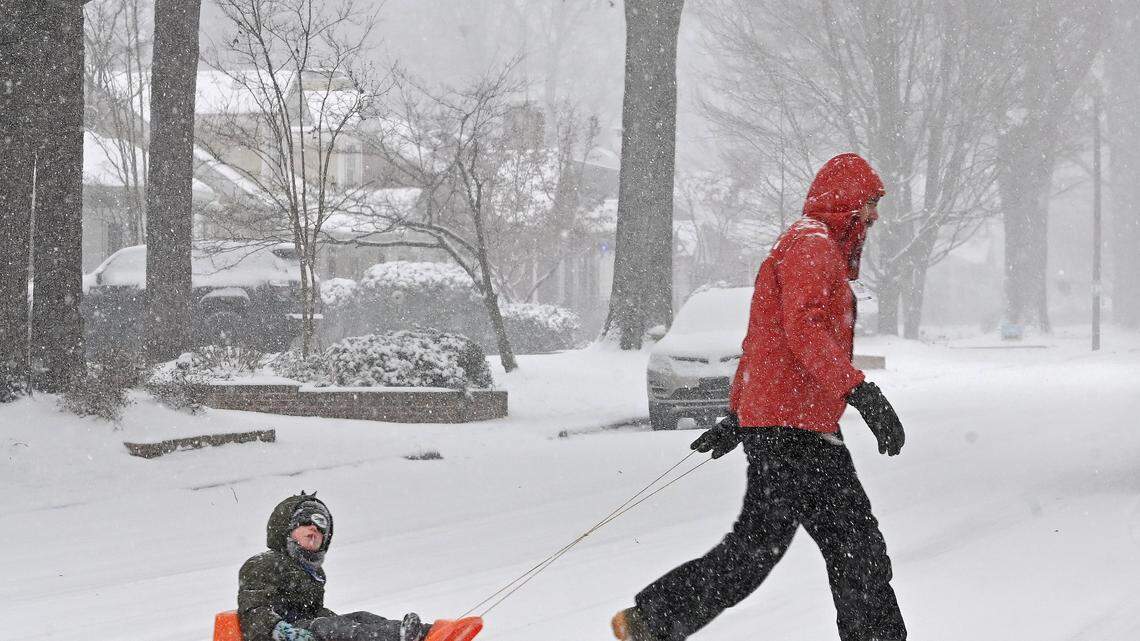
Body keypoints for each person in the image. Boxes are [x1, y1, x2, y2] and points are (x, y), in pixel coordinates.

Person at [611, 153, 908, 641]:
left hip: (794, 426)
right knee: (853, 552)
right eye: (871, 204)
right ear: (847, 203)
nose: (874, 216)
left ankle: (653, 619)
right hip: (796, 432)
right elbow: (803, 332)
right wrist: (862, 391)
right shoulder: (812, 248)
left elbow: (760, 341)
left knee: (763, 548)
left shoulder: (806, 244)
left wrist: (738, 415)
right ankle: (653, 619)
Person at [238, 492, 433, 641]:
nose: (314, 528)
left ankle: (421, 631)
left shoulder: (313, 573)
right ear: (287, 529)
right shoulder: (264, 563)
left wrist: (342, 621)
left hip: (307, 628)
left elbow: (313, 612)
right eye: (305, 522)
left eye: (322, 529)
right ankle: (398, 636)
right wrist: (284, 632)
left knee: (359, 617)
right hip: (275, 635)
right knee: (326, 626)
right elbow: (254, 612)